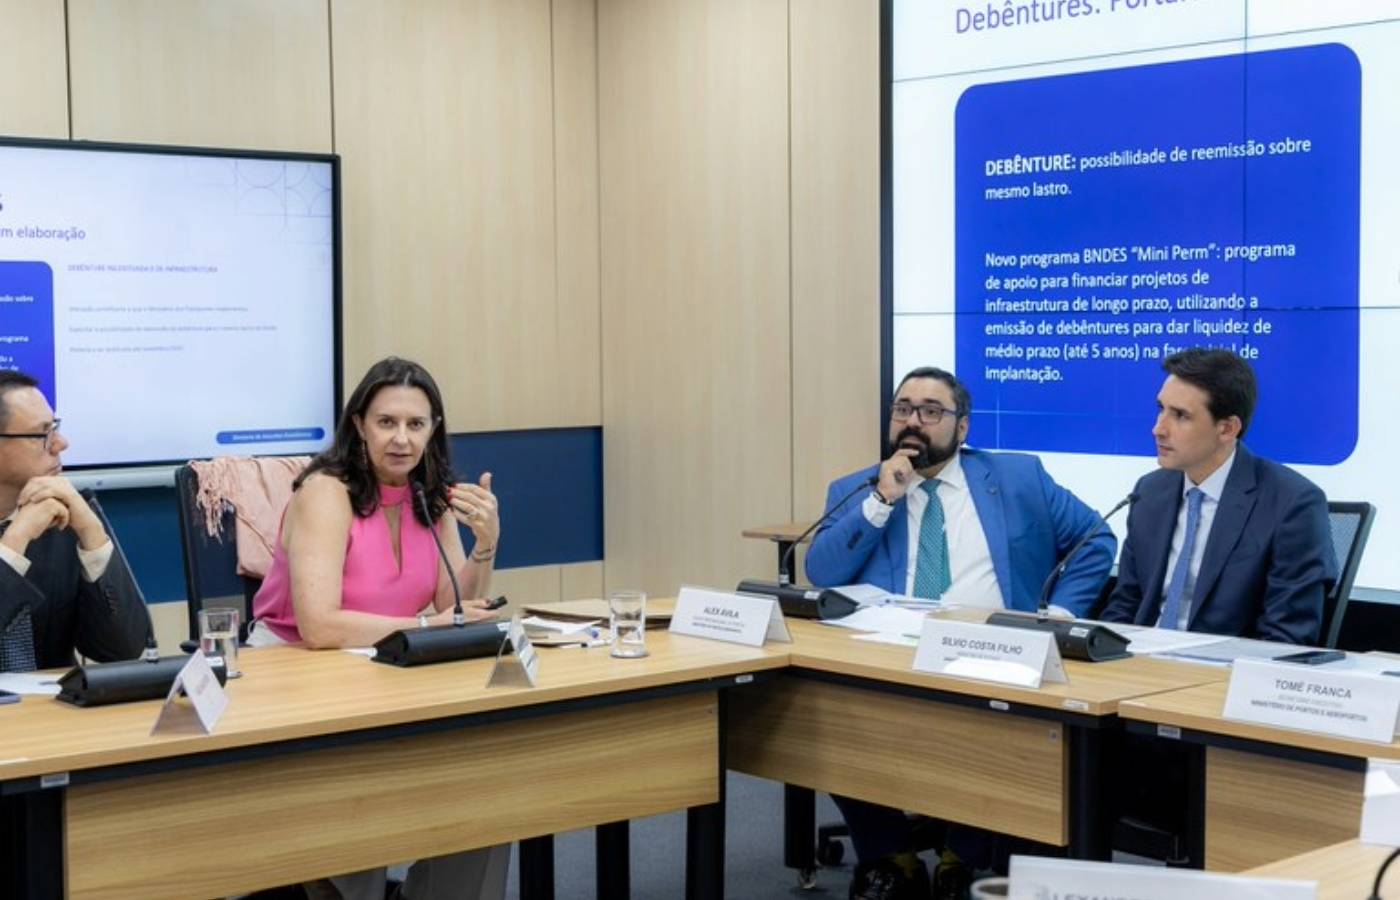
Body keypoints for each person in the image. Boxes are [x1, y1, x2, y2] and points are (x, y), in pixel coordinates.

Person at [805, 366, 1115, 900]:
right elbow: (821, 572)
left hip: (994, 657)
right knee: (826, 718)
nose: (913, 421)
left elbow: (1096, 539)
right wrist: (881, 502)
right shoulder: (859, 488)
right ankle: (889, 855)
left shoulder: (1018, 478)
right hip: (890, 661)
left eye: (931, 411)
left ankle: (964, 856)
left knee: (1010, 733)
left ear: (962, 427)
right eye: (903, 409)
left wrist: (1060, 616)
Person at [250, 357, 508, 900]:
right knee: (357, 798)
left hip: (387, 671)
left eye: (416, 424)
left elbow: (455, 606)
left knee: (485, 791)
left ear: (433, 430)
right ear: (359, 426)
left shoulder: (429, 494)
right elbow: (319, 626)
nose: (401, 439)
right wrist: (426, 624)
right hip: (295, 673)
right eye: (386, 422)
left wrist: (485, 545)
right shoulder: (326, 491)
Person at [1099, 347, 1336, 642]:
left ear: (1226, 429)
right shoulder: (1149, 492)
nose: (1158, 429)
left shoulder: (1292, 504)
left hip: (1224, 666)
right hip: (1140, 661)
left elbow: (1285, 639)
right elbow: (1124, 607)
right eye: (1161, 409)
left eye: (1180, 415)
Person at [0, 370, 149, 672]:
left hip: (50, 701)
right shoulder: (31, 523)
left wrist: (91, 533)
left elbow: (124, 650)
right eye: (42, 434)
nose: (61, 443)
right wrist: (13, 544)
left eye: (55, 428)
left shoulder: (64, 512)